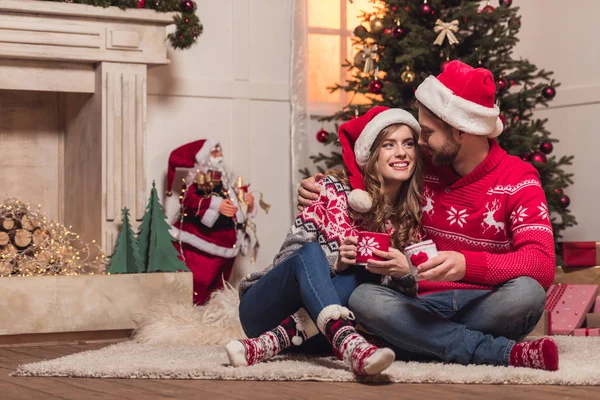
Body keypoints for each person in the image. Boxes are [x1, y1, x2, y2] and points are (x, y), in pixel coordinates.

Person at [297, 61, 559, 371]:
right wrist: (330, 183)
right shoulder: (427, 163)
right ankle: (495, 352)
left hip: (483, 304)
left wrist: (466, 265)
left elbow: (542, 263)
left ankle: (411, 341)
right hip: (418, 302)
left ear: (460, 130)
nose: (419, 142)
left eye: (429, 133)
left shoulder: (517, 178)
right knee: (364, 297)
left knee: (527, 294)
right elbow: (364, 141)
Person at [226, 106, 423, 376]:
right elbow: (290, 261)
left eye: (408, 144)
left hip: (316, 336)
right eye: (389, 144)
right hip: (264, 310)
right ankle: (348, 342)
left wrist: (403, 273)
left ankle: (275, 342)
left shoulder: (410, 219)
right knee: (310, 251)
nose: (402, 153)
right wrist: (337, 263)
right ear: (372, 154)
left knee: (367, 272)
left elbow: (403, 301)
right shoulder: (330, 192)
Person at [166, 139, 255, 305]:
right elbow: (189, 201)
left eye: (220, 151)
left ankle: (213, 322)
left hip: (227, 246)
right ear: (204, 157)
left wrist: (247, 204)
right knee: (199, 287)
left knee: (219, 292)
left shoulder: (227, 180)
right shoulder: (199, 179)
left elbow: (237, 206)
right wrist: (216, 205)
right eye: (214, 152)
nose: (219, 155)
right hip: (203, 244)